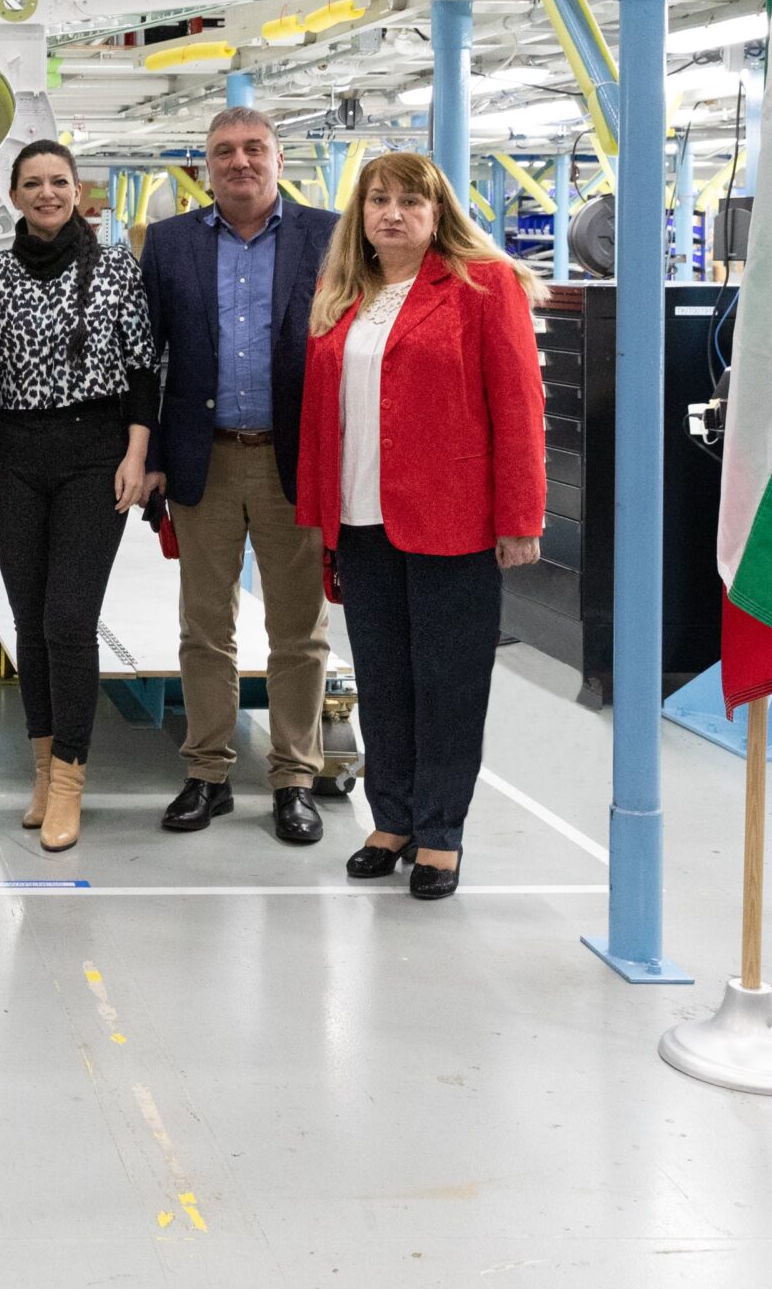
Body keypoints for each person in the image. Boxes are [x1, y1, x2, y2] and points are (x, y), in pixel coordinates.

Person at [296, 150, 545, 901]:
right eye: (378, 200)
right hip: (362, 520)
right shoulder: (345, 296)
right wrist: (321, 520)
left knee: (448, 684)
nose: (392, 213)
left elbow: (519, 405)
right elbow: (321, 420)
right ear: (360, 215)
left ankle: (441, 832)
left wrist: (520, 514)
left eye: (410, 200)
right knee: (384, 680)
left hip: (454, 523)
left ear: (439, 213)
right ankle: (393, 818)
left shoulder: (482, 286)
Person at [138, 106, 342, 846]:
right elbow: (146, 358)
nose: (240, 162)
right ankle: (208, 771)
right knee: (205, 627)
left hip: (298, 461)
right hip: (205, 458)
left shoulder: (330, 234)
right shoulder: (167, 244)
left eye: (254, 148)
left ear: (278, 158)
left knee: (299, 630)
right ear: (206, 166)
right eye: (224, 151)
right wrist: (151, 454)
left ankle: (293, 777)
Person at [0, 141, 159, 852]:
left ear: (79, 191)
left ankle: (73, 778)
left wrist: (136, 453)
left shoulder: (114, 269)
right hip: (12, 456)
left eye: (59, 182)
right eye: (33, 183)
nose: (47, 193)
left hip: (93, 456)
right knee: (28, 618)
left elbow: (143, 367)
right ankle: (42, 769)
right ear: (15, 196)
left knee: (69, 618)